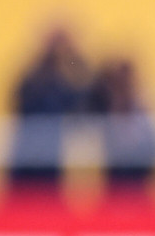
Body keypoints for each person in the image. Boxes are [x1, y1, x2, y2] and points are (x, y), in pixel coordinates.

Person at [5, 26, 91, 196]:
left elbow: (81, 92)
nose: (59, 47)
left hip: (55, 150)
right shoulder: (36, 69)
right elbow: (20, 98)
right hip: (27, 148)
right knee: (21, 198)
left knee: (50, 199)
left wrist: (71, 57)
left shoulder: (71, 66)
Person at [91, 58, 155, 196]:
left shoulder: (143, 104)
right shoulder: (109, 104)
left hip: (139, 172)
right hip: (117, 174)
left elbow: (154, 139)